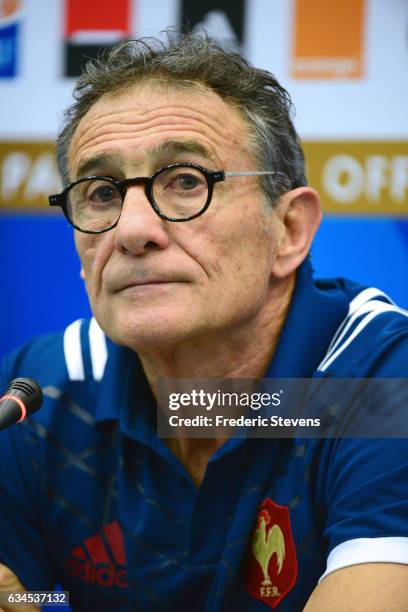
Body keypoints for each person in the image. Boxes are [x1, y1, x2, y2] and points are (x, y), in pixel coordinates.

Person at [0, 32, 407, 612]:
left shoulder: (385, 386)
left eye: (186, 181)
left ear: (289, 230)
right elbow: (42, 596)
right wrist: (26, 602)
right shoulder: (39, 394)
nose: (132, 230)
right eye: (100, 192)